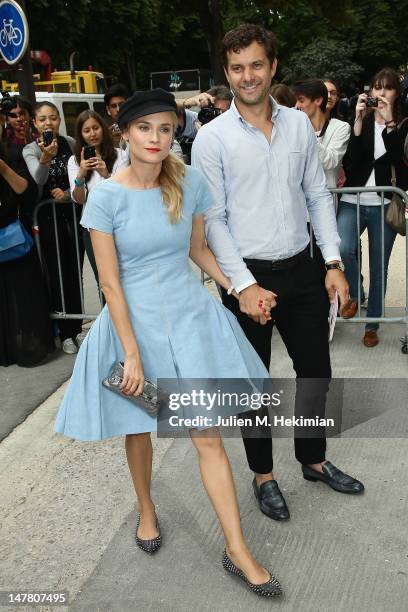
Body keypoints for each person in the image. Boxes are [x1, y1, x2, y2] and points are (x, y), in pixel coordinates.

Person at [54, 89, 283, 598]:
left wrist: (239, 289)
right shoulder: (105, 197)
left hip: (188, 322)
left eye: (164, 128)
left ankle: (236, 549)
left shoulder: (188, 183)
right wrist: (131, 353)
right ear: (125, 133)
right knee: (138, 427)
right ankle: (146, 509)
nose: (155, 138)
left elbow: (199, 250)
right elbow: (110, 284)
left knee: (207, 436)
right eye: (144, 128)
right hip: (132, 329)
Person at [192, 23, 365, 523]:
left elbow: (316, 195)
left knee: (316, 372)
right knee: (253, 386)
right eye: (237, 67)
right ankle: (264, 476)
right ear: (227, 73)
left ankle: (312, 459)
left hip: (304, 269)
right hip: (247, 278)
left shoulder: (297, 126)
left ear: (273, 67)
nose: (248, 76)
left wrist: (332, 262)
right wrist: (243, 286)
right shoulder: (211, 139)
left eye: (256, 65)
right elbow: (215, 219)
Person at [337, 68, 408, 347]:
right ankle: (355, 292)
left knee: (380, 267)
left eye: (387, 88)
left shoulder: (403, 125)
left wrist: (389, 122)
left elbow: (398, 162)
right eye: (376, 87)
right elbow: (350, 162)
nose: (380, 93)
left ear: (396, 93)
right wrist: (356, 120)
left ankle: (372, 324)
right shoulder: (360, 121)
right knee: (343, 248)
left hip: (384, 203)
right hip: (351, 199)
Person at [23, 102, 85, 355]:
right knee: (57, 273)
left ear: (59, 120)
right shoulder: (30, 149)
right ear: (35, 124)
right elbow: (37, 180)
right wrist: (46, 158)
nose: (48, 123)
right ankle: (64, 332)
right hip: (48, 219)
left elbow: (81, 176)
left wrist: (69, 196)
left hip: (74, 214)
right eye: (42, 119)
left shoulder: (70, 142)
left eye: (52, 118)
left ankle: (77, 327)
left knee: (75, 272)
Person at [0, 141, 54, 367]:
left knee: (26, 296)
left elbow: (28, 192)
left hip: (17, 241)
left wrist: (2, 168)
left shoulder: (12, 155)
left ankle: (31, 345)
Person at [68, 110, 129, 290]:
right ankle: (110, 318)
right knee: (105, 284)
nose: (92, 134)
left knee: (126, 280)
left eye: (96, 128)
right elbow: (79, 199)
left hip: (119, 226)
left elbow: (124, 192)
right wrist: (81, 175)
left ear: (103, 129)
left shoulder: (119, 155)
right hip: (93, 229)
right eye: (87, 130)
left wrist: (106, 174)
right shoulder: (74, 161)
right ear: (80, 134)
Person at [293, 79, 351, 189]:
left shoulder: (341, 127)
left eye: (301, 100)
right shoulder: (295, 128)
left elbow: (330, 161)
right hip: (298, 198)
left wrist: (305, 131)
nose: (297, 105)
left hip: (325, 198)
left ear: (318, 100)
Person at [104, 83, 129, 147]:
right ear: (108, 110)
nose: (118, 109)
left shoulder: (140, 129)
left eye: (121, 104)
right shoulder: (105, 136)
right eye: (113, 106)